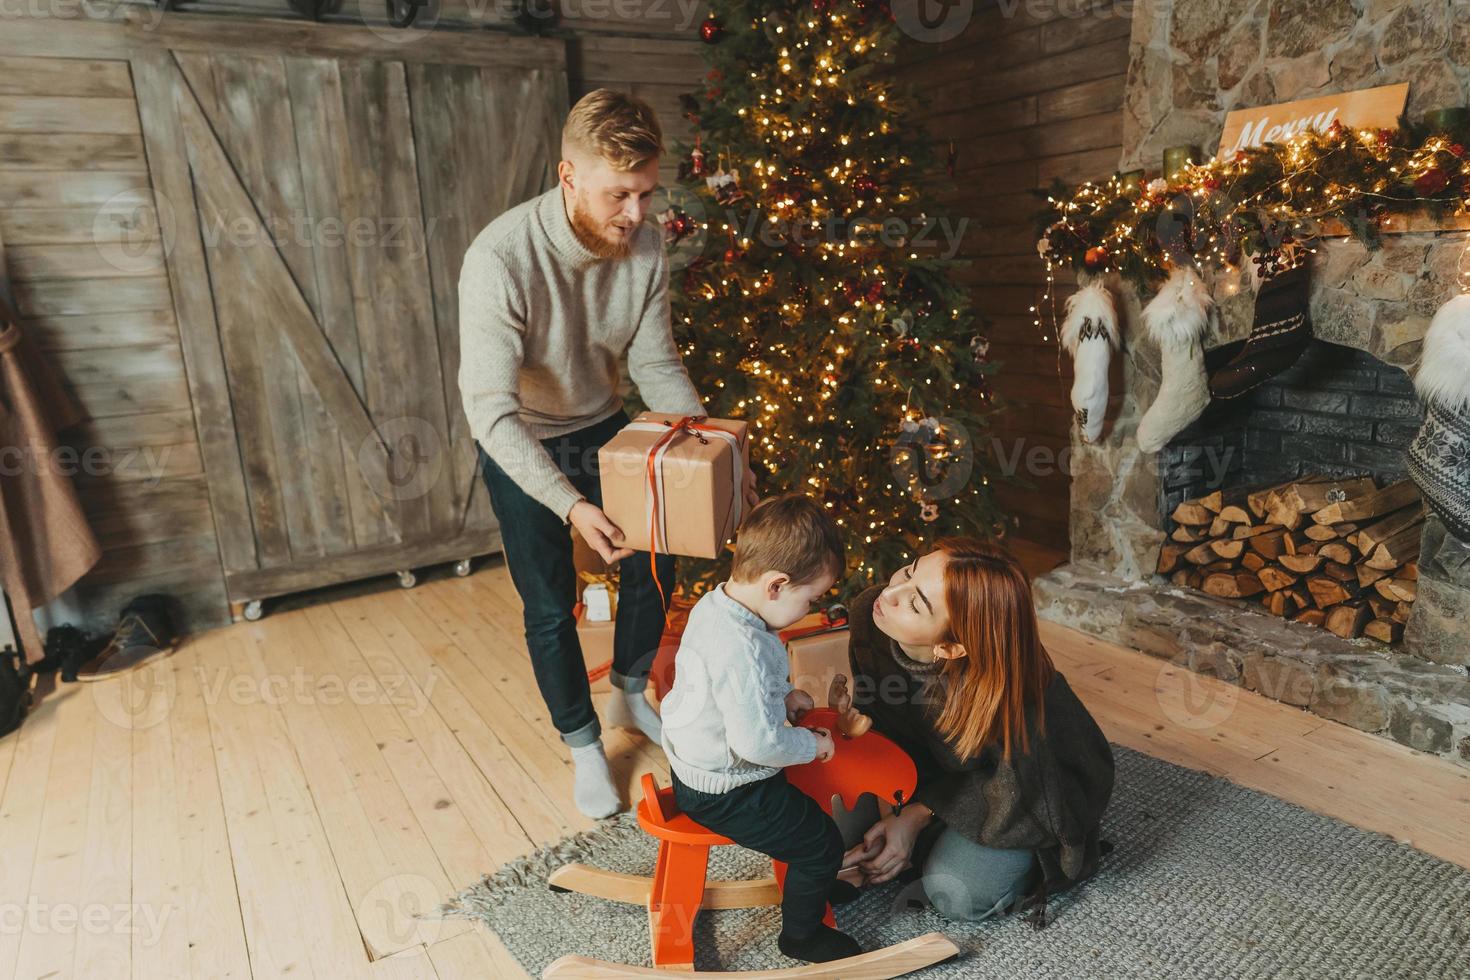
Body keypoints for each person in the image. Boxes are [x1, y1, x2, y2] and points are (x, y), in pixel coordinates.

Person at [457, 89, 757, 820]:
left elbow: (655, 364)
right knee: (552, 604)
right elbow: (489, 412)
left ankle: (628, 691)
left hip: (604, 418)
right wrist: (571, 504)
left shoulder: (646, 246)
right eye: (617, 194)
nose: (635, 214)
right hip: (520, 434)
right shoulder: (499, 259)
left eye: (647, 193)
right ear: (568, 178)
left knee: (659, 562)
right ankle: (585, 743)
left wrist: (709, 453)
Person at [836, 539, 1114, 925]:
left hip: (1021, 800)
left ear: (950, 648)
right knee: (823, 825)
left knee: (957, 895)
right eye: (909, 570)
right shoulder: (872, 611)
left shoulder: (1007, 707)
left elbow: (1013, 802)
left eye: (916, 603)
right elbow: (880, 713)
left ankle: (1024, 862)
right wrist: (885, 796)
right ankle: (922, 838)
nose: (891, 592)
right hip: (938, 778)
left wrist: (915, 816)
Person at [659, 495, 862, 964]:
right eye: (810, 599)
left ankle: (814, 883)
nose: (811, 607)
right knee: (822, 840)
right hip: (729, 790)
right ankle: (802, 937)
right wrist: (812, 744)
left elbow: (728, 685)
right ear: (776, 585)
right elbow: (759, 742)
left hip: (695, 767)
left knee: (810, 832)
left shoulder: (719, 605)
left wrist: (783, 693)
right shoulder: (742, 648)